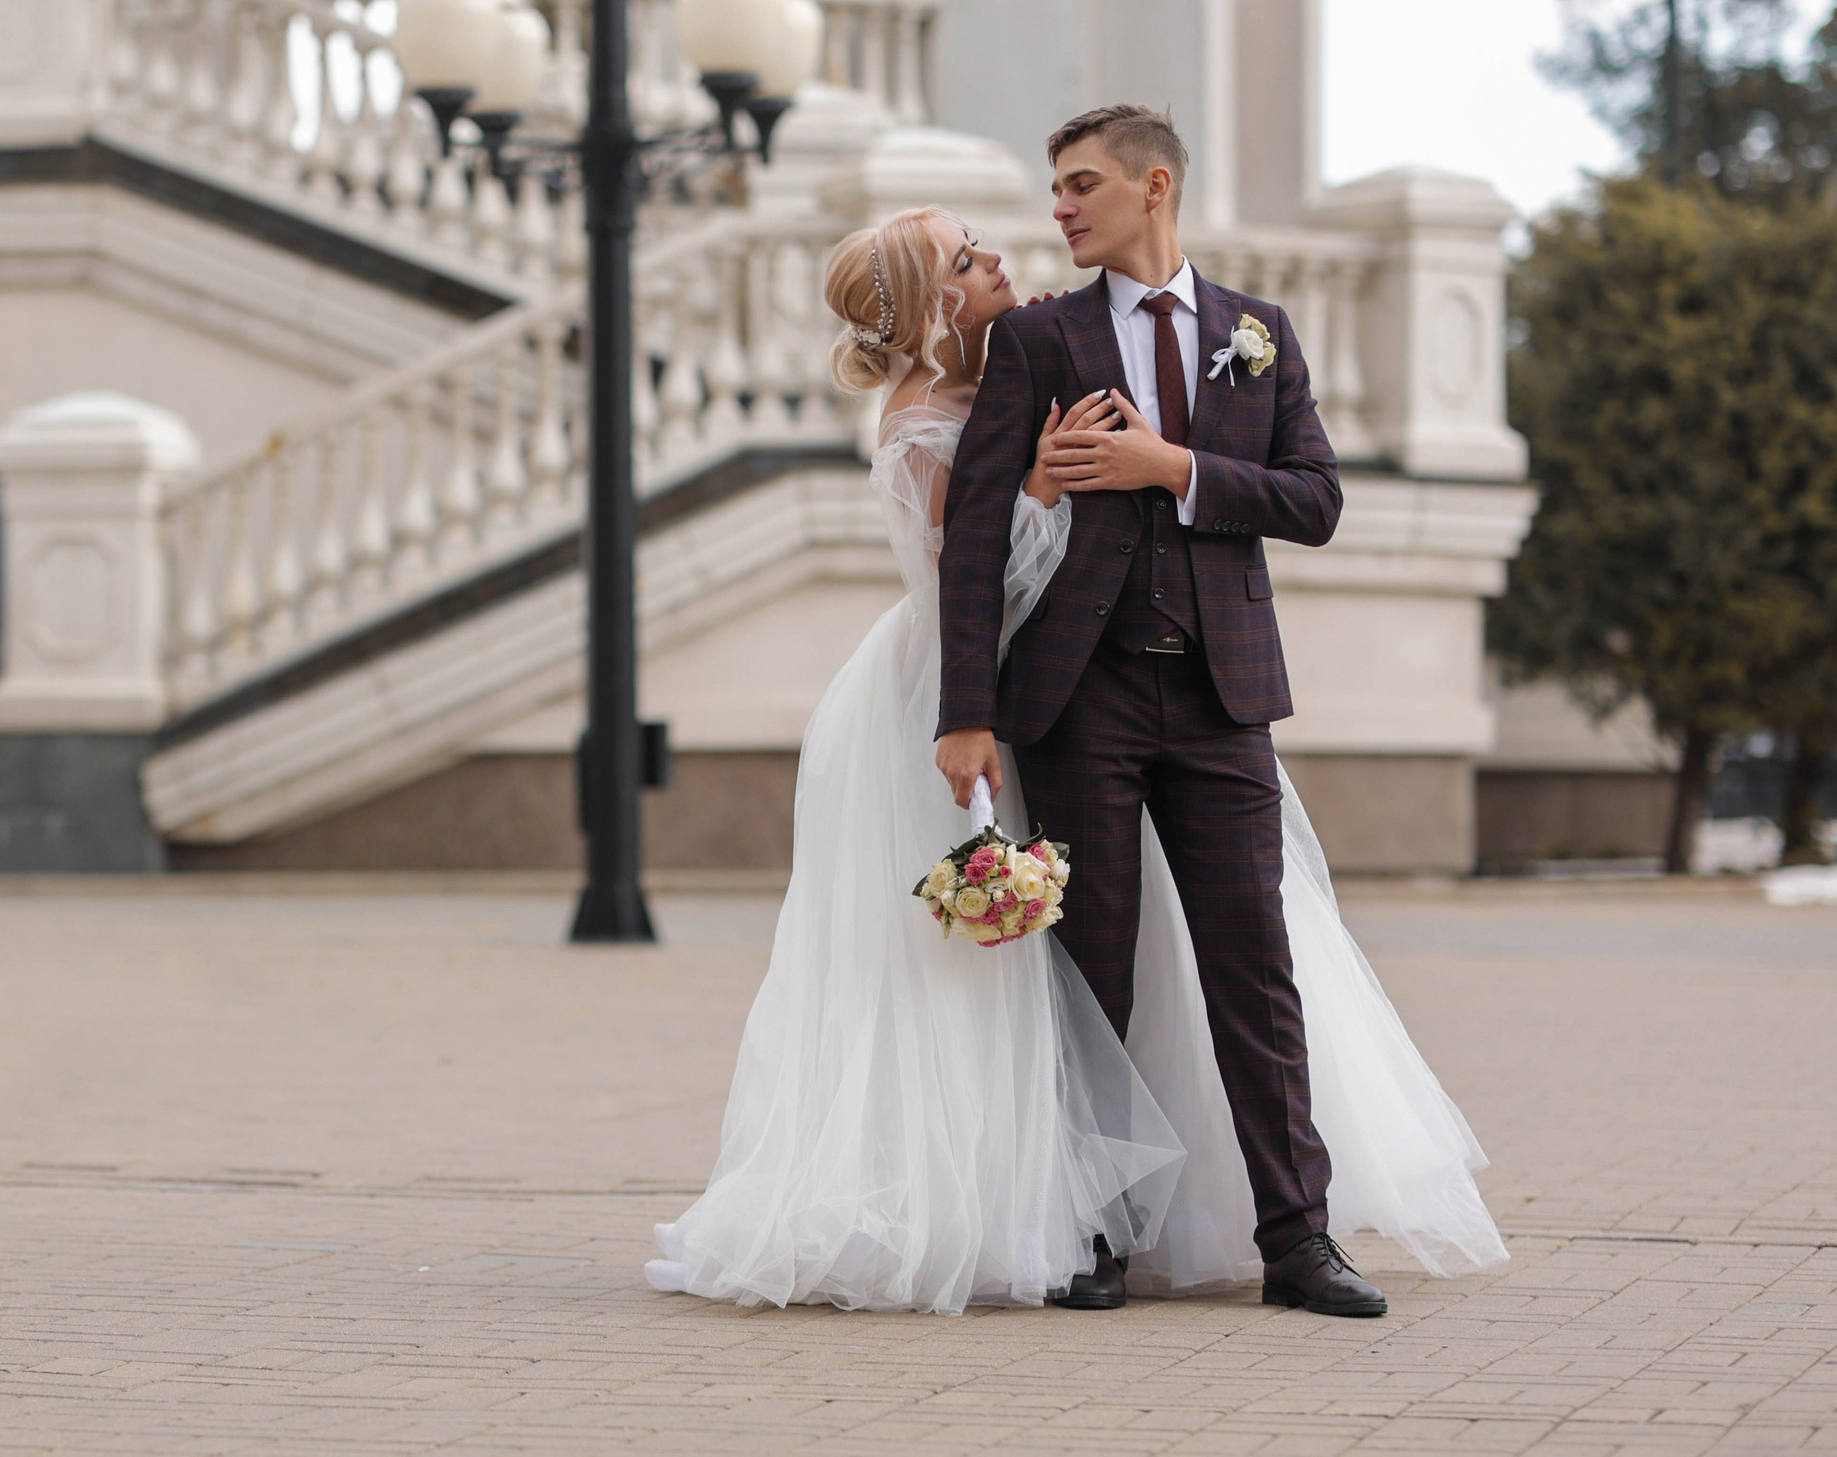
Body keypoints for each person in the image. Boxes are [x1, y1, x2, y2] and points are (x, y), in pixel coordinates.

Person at [934, 105, 1504, 1315]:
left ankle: (1298, 1242)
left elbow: (1314, 500)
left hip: (1220, 698)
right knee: (1092, 976)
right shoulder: (1037, 339)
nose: (1059, 208)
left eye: (1082, 184)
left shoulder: (1258, 333)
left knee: (1256, 969)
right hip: (1077, 699)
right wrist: (963, 711)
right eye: (1054, 187)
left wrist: (1175, 469)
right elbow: (975, 531)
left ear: (1155, 187)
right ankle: (1095, 1238)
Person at [644, 206, 1187, 1314]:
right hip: (949, 696)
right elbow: (971, 582)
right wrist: (1040, 489)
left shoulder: (1000, 377)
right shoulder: (922, 424)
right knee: (967, 961)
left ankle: (1067, 1198)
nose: (998, 260)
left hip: (1030, 686)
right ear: (939, 305)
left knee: (1053, 947)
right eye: (968, 260)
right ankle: (973, 1207)